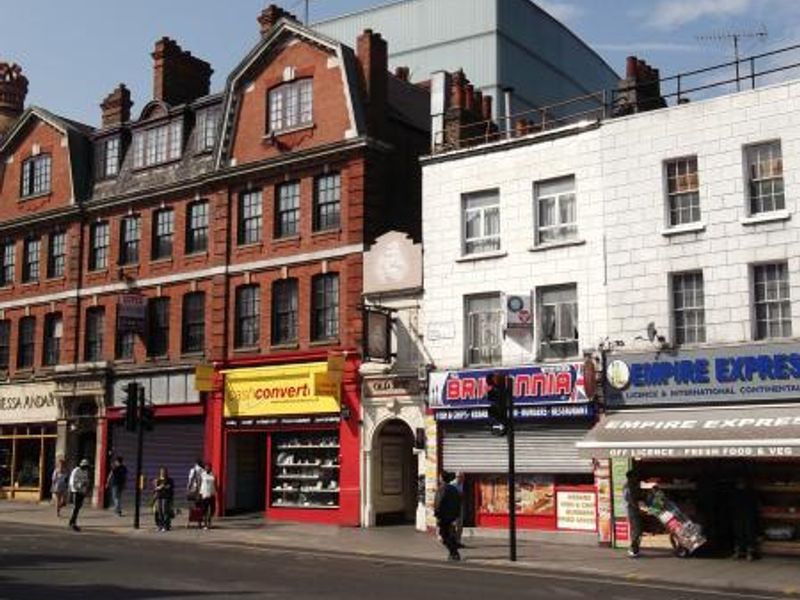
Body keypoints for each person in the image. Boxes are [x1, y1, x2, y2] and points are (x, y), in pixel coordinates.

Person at [434, 471, 463, 561]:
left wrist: (437, 514)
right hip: (452, 515)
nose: (439, 478)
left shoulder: (442, 489)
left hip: (444, 516)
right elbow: (459, 502)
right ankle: (453, 552)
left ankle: (454, 552)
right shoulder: (454, 489)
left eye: (439, 477)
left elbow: (439, 502)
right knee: (449, 534)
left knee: (443, 535)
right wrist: (457, 514)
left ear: (442, 478)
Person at [731, 476, 760, 561]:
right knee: (741, 532)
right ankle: (743, 551)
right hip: (742, 514)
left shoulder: (747, 493)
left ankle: (747, 551)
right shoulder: (741, 493)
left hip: (745, 514)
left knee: (747, 532)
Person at [623, 470, 645, 558]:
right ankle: (633, 549)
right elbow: (631, 500)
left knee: (636, 530)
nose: (637, 478)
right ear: (631, 477)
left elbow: (636, 497)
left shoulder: (631, 486)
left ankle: (635, 550)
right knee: (637, 530)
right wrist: (639, 508)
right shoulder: (628, 487)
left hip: (632, 509)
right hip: (631, 510)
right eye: (635, 476)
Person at [68, 459, 91, 532]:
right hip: (76, 491)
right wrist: (78, 486)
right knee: (76, 506)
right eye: (85, 466)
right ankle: (72, 521)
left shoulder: (85, 472)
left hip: (82, 491)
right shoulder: (76, 471)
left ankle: (73, 520)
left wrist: (86, 487)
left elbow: (86, 480)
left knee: (78, 507)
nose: (86, 468)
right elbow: (72, 481)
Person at [153, 466, 175, 532]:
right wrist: (158, 487)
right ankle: (160, 525)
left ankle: (166, 526)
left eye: (164, 471)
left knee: (165, 511)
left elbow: (170, 487)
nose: (162, 473)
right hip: (159, 497)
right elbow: (155, 488)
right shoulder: (157, 480)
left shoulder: (169, 480)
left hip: (166, 497)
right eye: (161, 471)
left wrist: (163, 487)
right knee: (159, 512)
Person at [199, 463, 217, 530]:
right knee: (205, 510)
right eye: (206, 467)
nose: (208, 468)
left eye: (209, 467)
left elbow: (215, 484)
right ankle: (205, 524)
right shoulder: (202, 475)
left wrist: (216, 492)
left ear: (211, 468)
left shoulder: (213, 474)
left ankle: (209, 521)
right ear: (205, 468)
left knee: (212, 510)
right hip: (204, 494)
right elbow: (200, 484)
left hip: (212, 494)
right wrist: (199, 493)